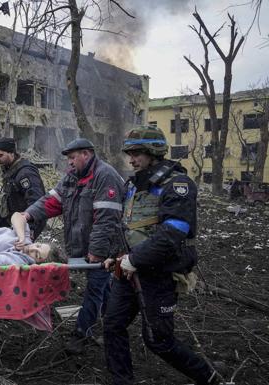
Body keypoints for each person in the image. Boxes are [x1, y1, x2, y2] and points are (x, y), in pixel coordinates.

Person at [103, 126, 221, 385]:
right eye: (130, 154)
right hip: (129, 272)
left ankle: (210, 379)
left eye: (137, 154)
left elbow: (173, 233)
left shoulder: (177, 185)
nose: (131, 160)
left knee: (158, 341)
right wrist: (116, 255)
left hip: (159, 275)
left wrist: (134, 259)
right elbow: (128, 225)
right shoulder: (134, 184)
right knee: (112, 325)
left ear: (154, 152)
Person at [19, 138, 125, 354]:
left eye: (73, 157)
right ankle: (113, 326)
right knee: (103, 288)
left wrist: (96, 252)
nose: (69, 162)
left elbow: (106, 220)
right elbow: (50, 202)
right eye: (68, 158)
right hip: (84, 247)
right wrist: (28, 214)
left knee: (95, 289)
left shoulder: (105, 176)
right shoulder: (71, 178)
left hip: (105, 248)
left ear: (86, 154)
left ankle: (81, 333)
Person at [0, 137, 46, 240]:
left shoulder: (25, 173)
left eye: (0, 155)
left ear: (11, 153)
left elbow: (37, 202)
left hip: (24, 225)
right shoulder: (10, 170)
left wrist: (30, 229)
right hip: (12, 224)